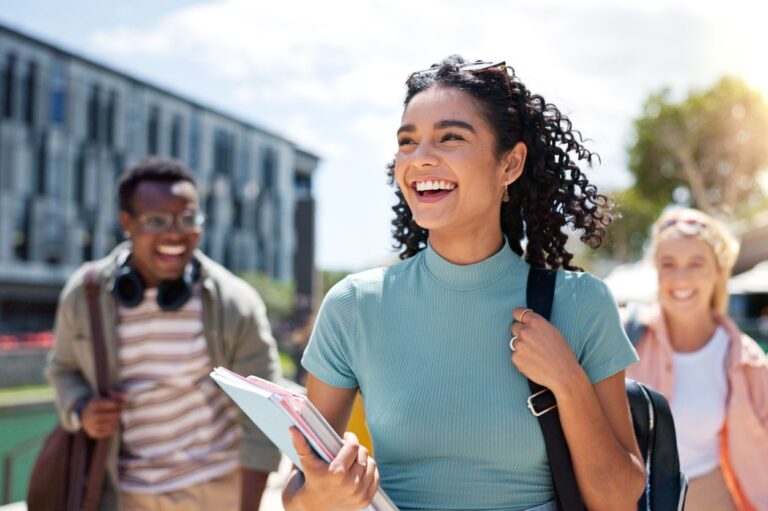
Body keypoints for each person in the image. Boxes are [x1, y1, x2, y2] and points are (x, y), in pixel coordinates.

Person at [282, 56, 645, 511]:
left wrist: (568, 383)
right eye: (407, 141)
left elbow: (617, 500)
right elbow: (297, 496)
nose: (420, 157)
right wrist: (322, 495)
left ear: (510, 164)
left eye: (450, 137)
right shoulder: (354, 305)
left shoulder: (581, 303)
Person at [46, 157, 283, 511]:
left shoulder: (237, 302)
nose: (175, 233)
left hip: (216, 492)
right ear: (127, 223)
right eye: (156, 221)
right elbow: (62, 369)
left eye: (188, 219)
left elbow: (264, 416)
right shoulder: (85, 294)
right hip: (122, 494)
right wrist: (82, 409)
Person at [625, 208, 768, 511]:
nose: (681, 278)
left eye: (695, 263)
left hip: (714, 499)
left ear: (718, 270)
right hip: (634, 500)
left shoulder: (747, 360)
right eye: (669, 264)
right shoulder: (624, 339)